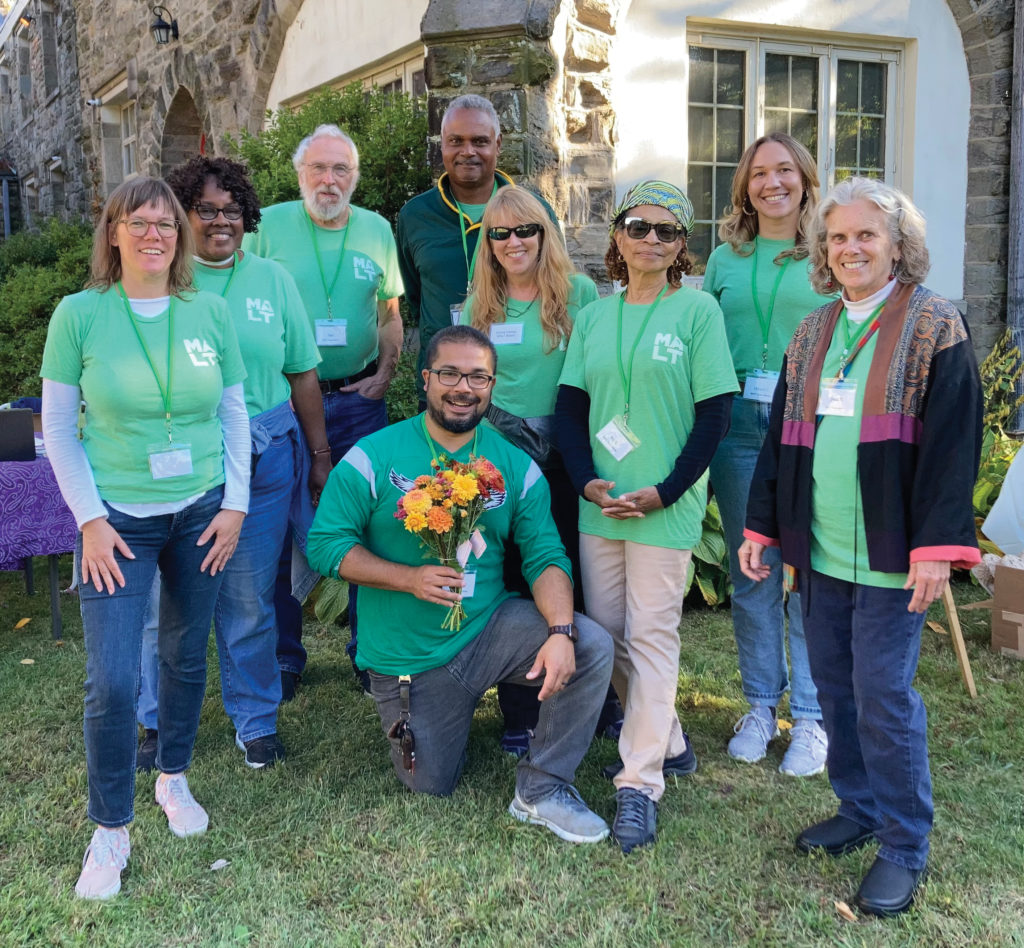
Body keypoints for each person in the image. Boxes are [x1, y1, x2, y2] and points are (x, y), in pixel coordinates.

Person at [740, 177, 983, 917]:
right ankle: (859, 805)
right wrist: (762, 526)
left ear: (898, 246)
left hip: (891, 552)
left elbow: (952, 448)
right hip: (820, 548)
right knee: (838, 688)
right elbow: (783, 437)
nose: (851, 248)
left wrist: (937, 547)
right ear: (824, 250)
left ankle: (904, 843)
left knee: (883, 694)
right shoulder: (813, 331)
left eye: (867, 236)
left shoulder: (937, 324)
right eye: (838, 237)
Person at [306, 325, 614, 844]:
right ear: (425, 379)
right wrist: (409, 578)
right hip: (411, 658)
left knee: (591, 645)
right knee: (430, 783)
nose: (462, 387)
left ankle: (542, 789)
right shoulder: (373, 455)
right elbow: (325, 546)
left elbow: (545, 556)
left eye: (478, 376)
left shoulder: (514, 464)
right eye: (449, 373)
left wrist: (560, 631)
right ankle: (439, 719)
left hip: (487, 629)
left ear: (493, 385)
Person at [40, 177, 250, 899]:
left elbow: (232, 416)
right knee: (114, 680)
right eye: (140, 223)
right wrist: (90, 522)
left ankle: (174, 778)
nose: (155, 234)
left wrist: (236, 505)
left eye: (166, 223)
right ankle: (109, 829)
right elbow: (60, 432)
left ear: (180, 236)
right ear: (113, 233)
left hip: (200, 511)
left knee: (187, 657)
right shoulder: (79, 315)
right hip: (116, 523)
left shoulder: (208, 312)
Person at [126, 156, 330, 770]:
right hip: (180, 458)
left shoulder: (274, 279)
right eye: (206, 210)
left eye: (232, 210)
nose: (220, 221)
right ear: (183, 216)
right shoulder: (159, 279)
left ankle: (256, 719)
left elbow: (302, 373)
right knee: (165, 601)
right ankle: (156, 722)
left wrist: (319, 456)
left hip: (264, 453)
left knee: (248, 598)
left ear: (248, 217)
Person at [556, 181, 738, 853]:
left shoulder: (697, 313)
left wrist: (667, 490)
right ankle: (672, 739)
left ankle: (639, 783)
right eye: (640, 227)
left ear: (682, 245)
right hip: (602, 504)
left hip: (664, 505)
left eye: (667, 231)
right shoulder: (595, 317)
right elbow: (571, 408)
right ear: (618, 238)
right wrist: (585, 481)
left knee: (653, 637)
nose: (652, 240)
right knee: (608, 635)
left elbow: (715, 414)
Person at [397, 93, 562, 749]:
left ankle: (535, 697)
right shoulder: (414, 216)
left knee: (540, 555)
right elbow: (414, 302)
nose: (469, 151)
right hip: (463, 415)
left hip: (547, 431)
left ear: (500, 147)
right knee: (468, 548)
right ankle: (456, 685)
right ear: (442, 144)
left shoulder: (530, 207)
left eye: (481, 141)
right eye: (456, 140)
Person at [460, 187, 622, 756]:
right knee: (511, 581)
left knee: (569, 576)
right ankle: (521, 709)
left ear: (543, 233)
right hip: (500, 460)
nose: (512, 243)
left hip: (567, 455)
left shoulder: (577, 293)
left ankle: (593, 698)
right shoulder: (478, 303)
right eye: (498, 234)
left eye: (523, 230)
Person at [244, 124, 404, 699]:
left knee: (368, 524)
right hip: (284, 405)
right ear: (299, 174)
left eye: (341, 170)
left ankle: (369, 653)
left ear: (354, 179)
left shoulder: (377, 230)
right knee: (280, 530)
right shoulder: (265, 226)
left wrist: (386, 372)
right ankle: (286, 657)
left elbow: (388, 312)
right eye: (318, 168)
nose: (329, 180)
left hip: (360, 400)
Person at [704, 133, 834, 776]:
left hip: (809, 430)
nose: (772, 183)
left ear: (806, 179)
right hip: (737, 430)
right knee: (752, 567)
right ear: (745, 186)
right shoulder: (727, 257)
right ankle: (760, 705)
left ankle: (811, 718)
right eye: (760, 173)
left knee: (808, 571)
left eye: (785, 170)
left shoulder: (827, 254)